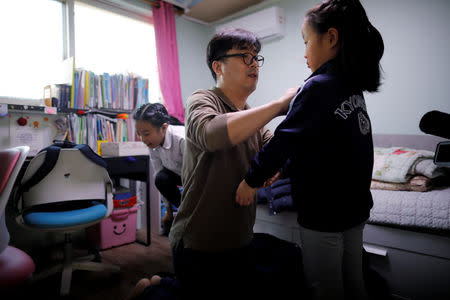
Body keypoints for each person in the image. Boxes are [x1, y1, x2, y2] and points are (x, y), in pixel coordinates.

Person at [236, 0, 384, 299]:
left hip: (324, 211)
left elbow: (284, 140)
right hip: (355, 207)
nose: (304, 53)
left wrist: (250, 180)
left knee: (324, 287)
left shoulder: (317, 86)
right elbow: (324, 144)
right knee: (354, 280)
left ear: (330, 38)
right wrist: (284, 169)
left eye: (306, 42)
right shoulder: (350, 87)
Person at [166, 28, 298, 299]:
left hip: (239, 240)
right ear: (218, 66)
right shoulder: (202, 100)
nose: (253, 63)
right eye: (243, 56)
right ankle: (154, 286)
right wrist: (278, 105)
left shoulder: (252, 115)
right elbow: (212, 134)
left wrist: (278, 165)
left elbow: (277, 150)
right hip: (197, 242)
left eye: (255, 57)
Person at [133, 103, 185, 235]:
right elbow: (160, 177)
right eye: (139, 134)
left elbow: (197, 175)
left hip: (200, 177)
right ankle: (182, 211)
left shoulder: (182, 139)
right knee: (160, 178)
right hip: (180, 175)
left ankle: (187, 212)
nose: (143, 139)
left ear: (164, 128)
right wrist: (168, 212)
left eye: (146, 134)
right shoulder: (153, 144)